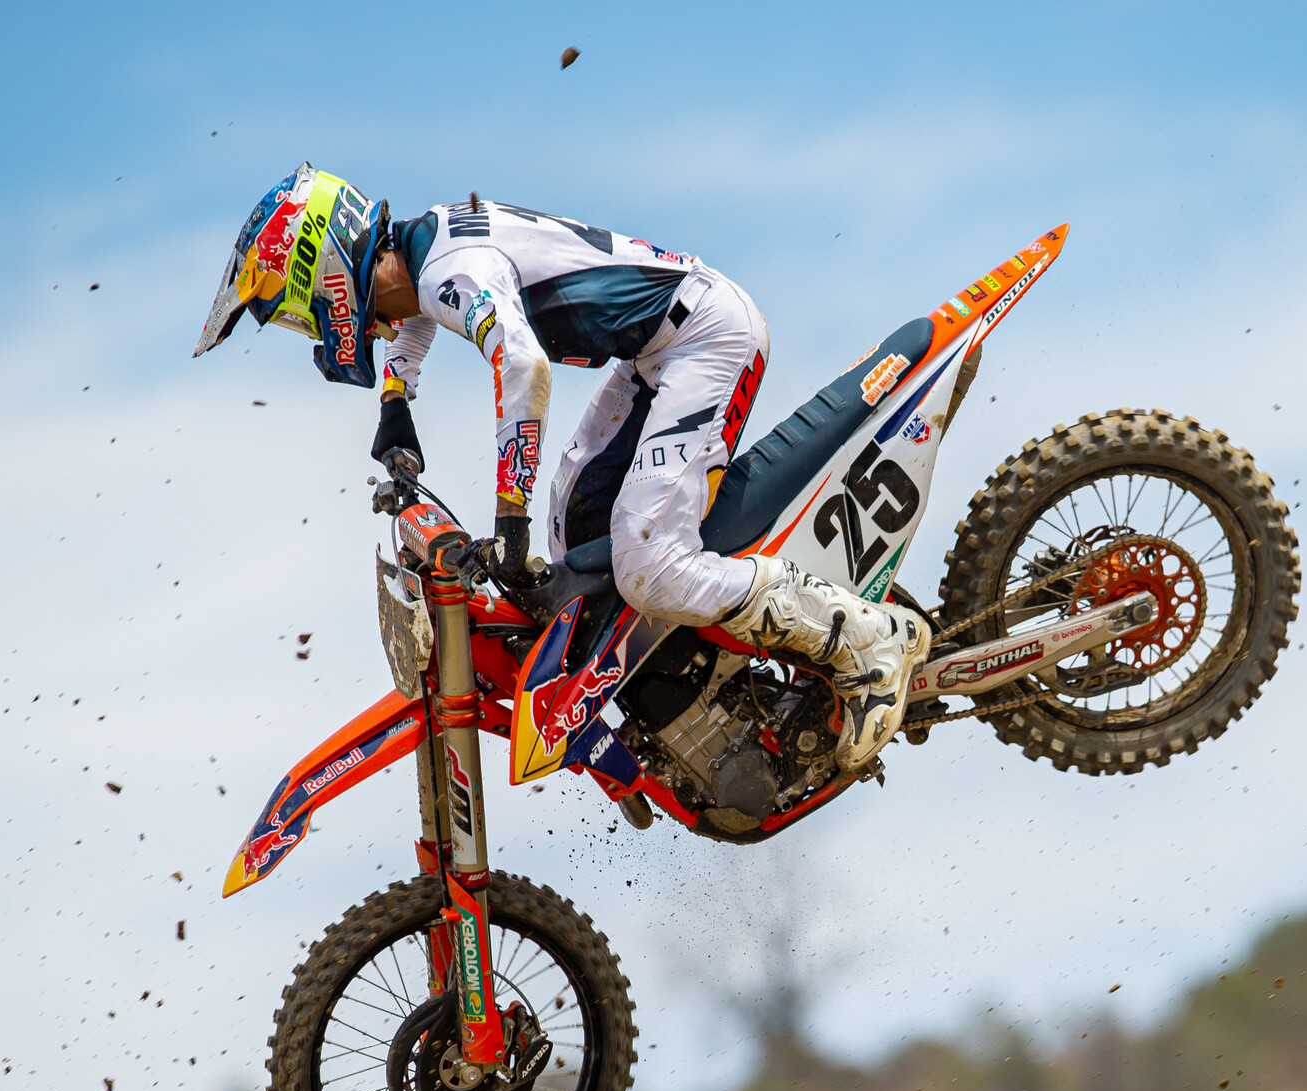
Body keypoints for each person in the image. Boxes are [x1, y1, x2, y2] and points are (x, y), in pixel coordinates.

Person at [193, 163, 928, 768]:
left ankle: (867, 638)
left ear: (318, 271)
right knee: (572, 531)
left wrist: (503, 518)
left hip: (706, 340)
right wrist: (396, 398)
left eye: (288, 309)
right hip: (659, 350)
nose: (301, 327)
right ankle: (676, 704)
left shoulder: (453, 268)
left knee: (649, 563)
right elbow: (417, 308)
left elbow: (524, 368)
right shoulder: (421, 249)